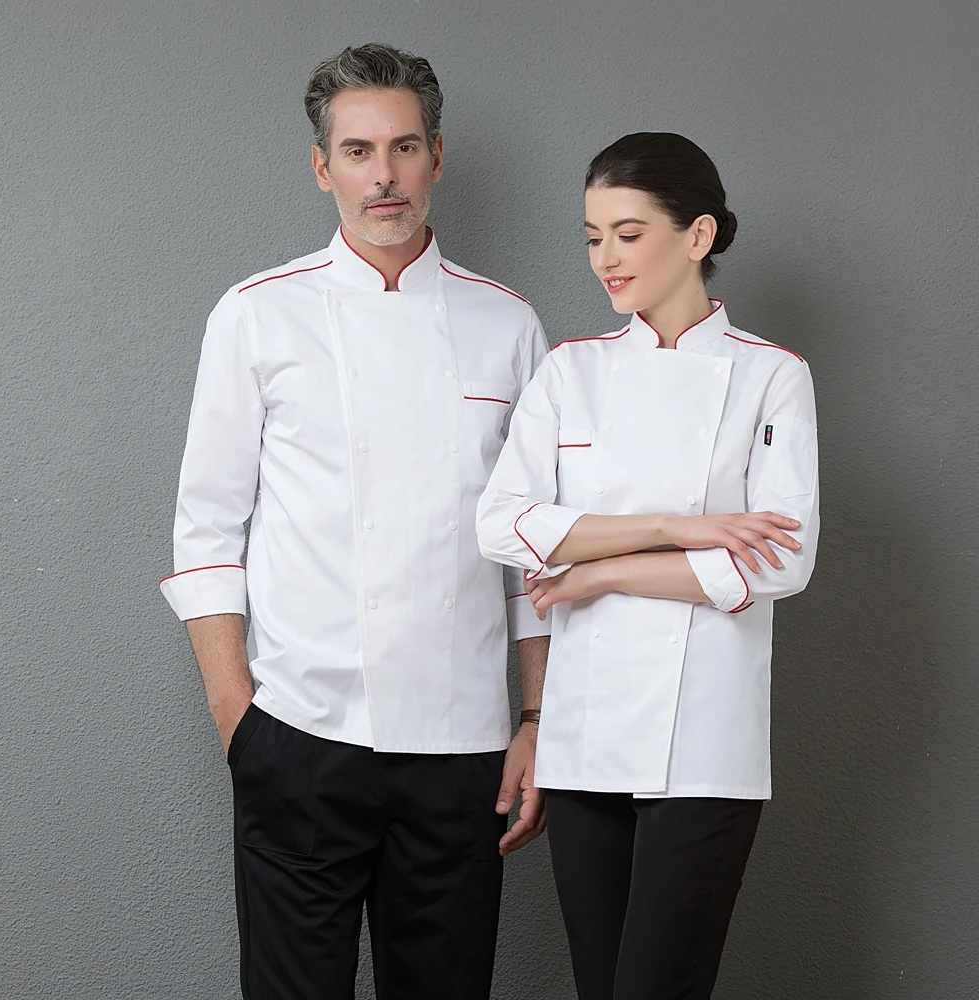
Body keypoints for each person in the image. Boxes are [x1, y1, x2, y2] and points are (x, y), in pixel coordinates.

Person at [159, 42, 552, 1000]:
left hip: (462, 746)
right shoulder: (258, 315)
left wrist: (538, 720)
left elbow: (535, 555)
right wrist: (240, 724)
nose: (384, 175)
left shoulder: (509, 326)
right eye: (359, 150)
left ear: (437, 157)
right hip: (301, 734)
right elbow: (205, 531)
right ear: (321, 166)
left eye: (405, 147)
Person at [476, 131, 820, 1000]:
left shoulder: (771, 377)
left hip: (703, 741)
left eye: (629, 234)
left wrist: (597, 571)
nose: (606, 259)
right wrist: (672, 527)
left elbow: (775, 565)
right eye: (594, 237)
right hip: (585, 737)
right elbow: (501, 524)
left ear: (698, 235)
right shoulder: (572, 372)